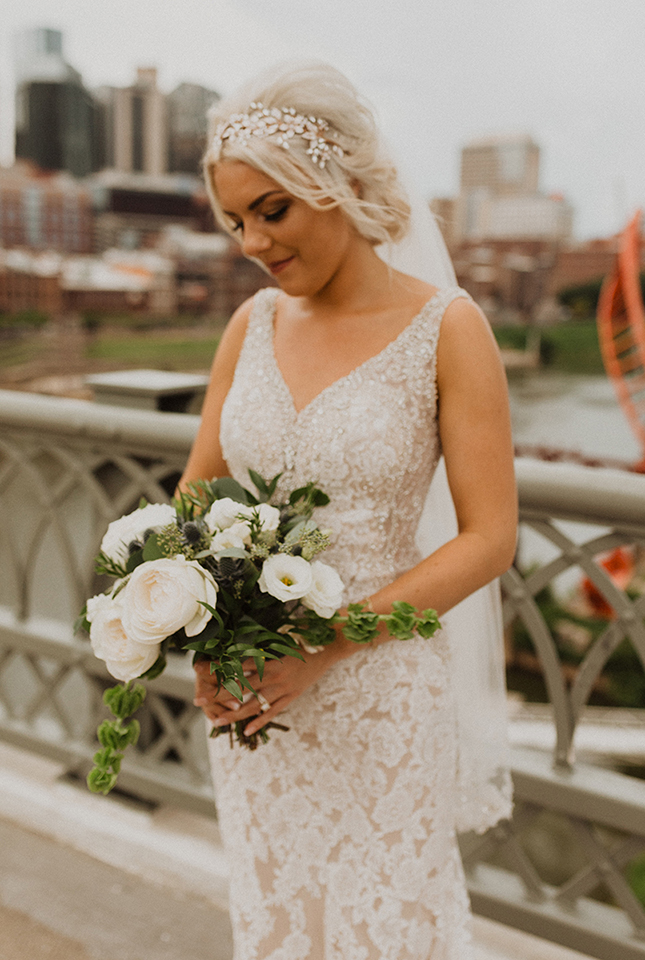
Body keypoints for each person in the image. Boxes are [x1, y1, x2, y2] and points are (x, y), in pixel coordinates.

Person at [180, 61, 517, 960]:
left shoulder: (447, 328)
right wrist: (198, 635)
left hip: (382, 690)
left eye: (272, 210)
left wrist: (323, 648)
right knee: (278, 914)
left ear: (338, 185)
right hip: (257, 696)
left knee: (386, 927)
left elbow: (489, 539)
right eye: (234, 219)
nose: (251, 239)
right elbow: (195, 494)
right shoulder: (248, 325)